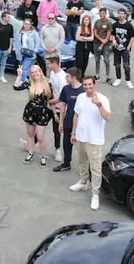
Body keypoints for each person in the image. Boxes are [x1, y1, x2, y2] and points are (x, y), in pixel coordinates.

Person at [69, 76, 112, 211]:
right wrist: (73, 133)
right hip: (81, 137)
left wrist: (98, 104)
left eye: (90, 84)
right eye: (85, 85)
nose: (87, 87)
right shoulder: (81, 97)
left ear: (95, 84)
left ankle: (95, 194)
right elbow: (76, 115)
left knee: (96, 168)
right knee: (82, 162)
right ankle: (83, 182)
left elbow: (108, 118)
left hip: (94, 139)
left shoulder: (103, 99)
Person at [14, 64, 54, 167]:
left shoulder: (48, 85)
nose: (35, 74)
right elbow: (16, 87)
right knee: (30, 134)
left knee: (40, 137)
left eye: (37, 71)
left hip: (42, 113)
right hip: (30, 112)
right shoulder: (29, 84)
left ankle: (43, 156)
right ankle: (30, 152)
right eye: (32, 72)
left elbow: (51, 100)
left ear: (40, 72)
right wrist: (19, 75)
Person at [54, 67, 84, 172]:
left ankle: (84, 167)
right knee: (66, 143)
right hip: (68, 120)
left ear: (74, 77)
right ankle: (66, 163)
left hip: (81, 123)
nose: (65, 78)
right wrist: (61, 122)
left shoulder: (83, 90)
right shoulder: (66, 89)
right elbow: (63, 106)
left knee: (81, 146)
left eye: (67, 76)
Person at [46, 57, 67, 164]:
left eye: (49, 64)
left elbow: (62, 97)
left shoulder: (62, 78)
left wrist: (52, 102)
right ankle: (32, 141)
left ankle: (57, 149)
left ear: (55, 63)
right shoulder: (53, 73)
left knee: (56, 129)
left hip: (59, 107)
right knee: (41, 123)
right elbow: (51, 87)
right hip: (51, 104)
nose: (47, 66)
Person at [111, 8, 134, 88]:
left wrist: (128, 47)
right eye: (119, 14)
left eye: (122, 14)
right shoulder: (115, 25)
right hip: (117, 48)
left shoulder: (129, 25)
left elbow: (132, 37)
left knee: (126, 65)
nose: (121, 15)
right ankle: (118, 79)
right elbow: (112, 34)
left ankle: (128, 80)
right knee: (117, 65)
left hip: (125, 48)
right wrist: (113, 41)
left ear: (125, 15)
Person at [13, 18, 41, 84]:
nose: (27, 25)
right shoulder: (19, 32)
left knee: (25, 68)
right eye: (25, 24)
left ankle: (23, 81)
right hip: (21, 52)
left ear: (30, 25)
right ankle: (24, 80)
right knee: (21, 68)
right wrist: (15, 48)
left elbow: (37, 42)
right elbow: (15, 40)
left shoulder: (34, 33)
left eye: (28, 24)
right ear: (23, 24)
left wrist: (35, 50)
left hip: (30, 53)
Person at [0, 12, 13, 83]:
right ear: (3, 18)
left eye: (9, 17)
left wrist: (10, 47)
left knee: (3, 63)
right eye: (8, 17)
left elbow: (11, 38)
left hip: (6, 49)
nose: (9, 18)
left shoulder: (10, 26)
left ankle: (1, 76)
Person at [93, 8, 113, 83]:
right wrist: (101, 40)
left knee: (106, 60)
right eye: (100, 13)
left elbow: (108, 35)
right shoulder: (97, 22)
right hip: (96, 43)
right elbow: (95, 33)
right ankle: (97, 74)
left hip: (106, 44)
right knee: (97, 59)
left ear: (106, 14)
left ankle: (108, 76)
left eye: (103, 13)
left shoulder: (108, 23)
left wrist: (103, 43)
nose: (102, 14)